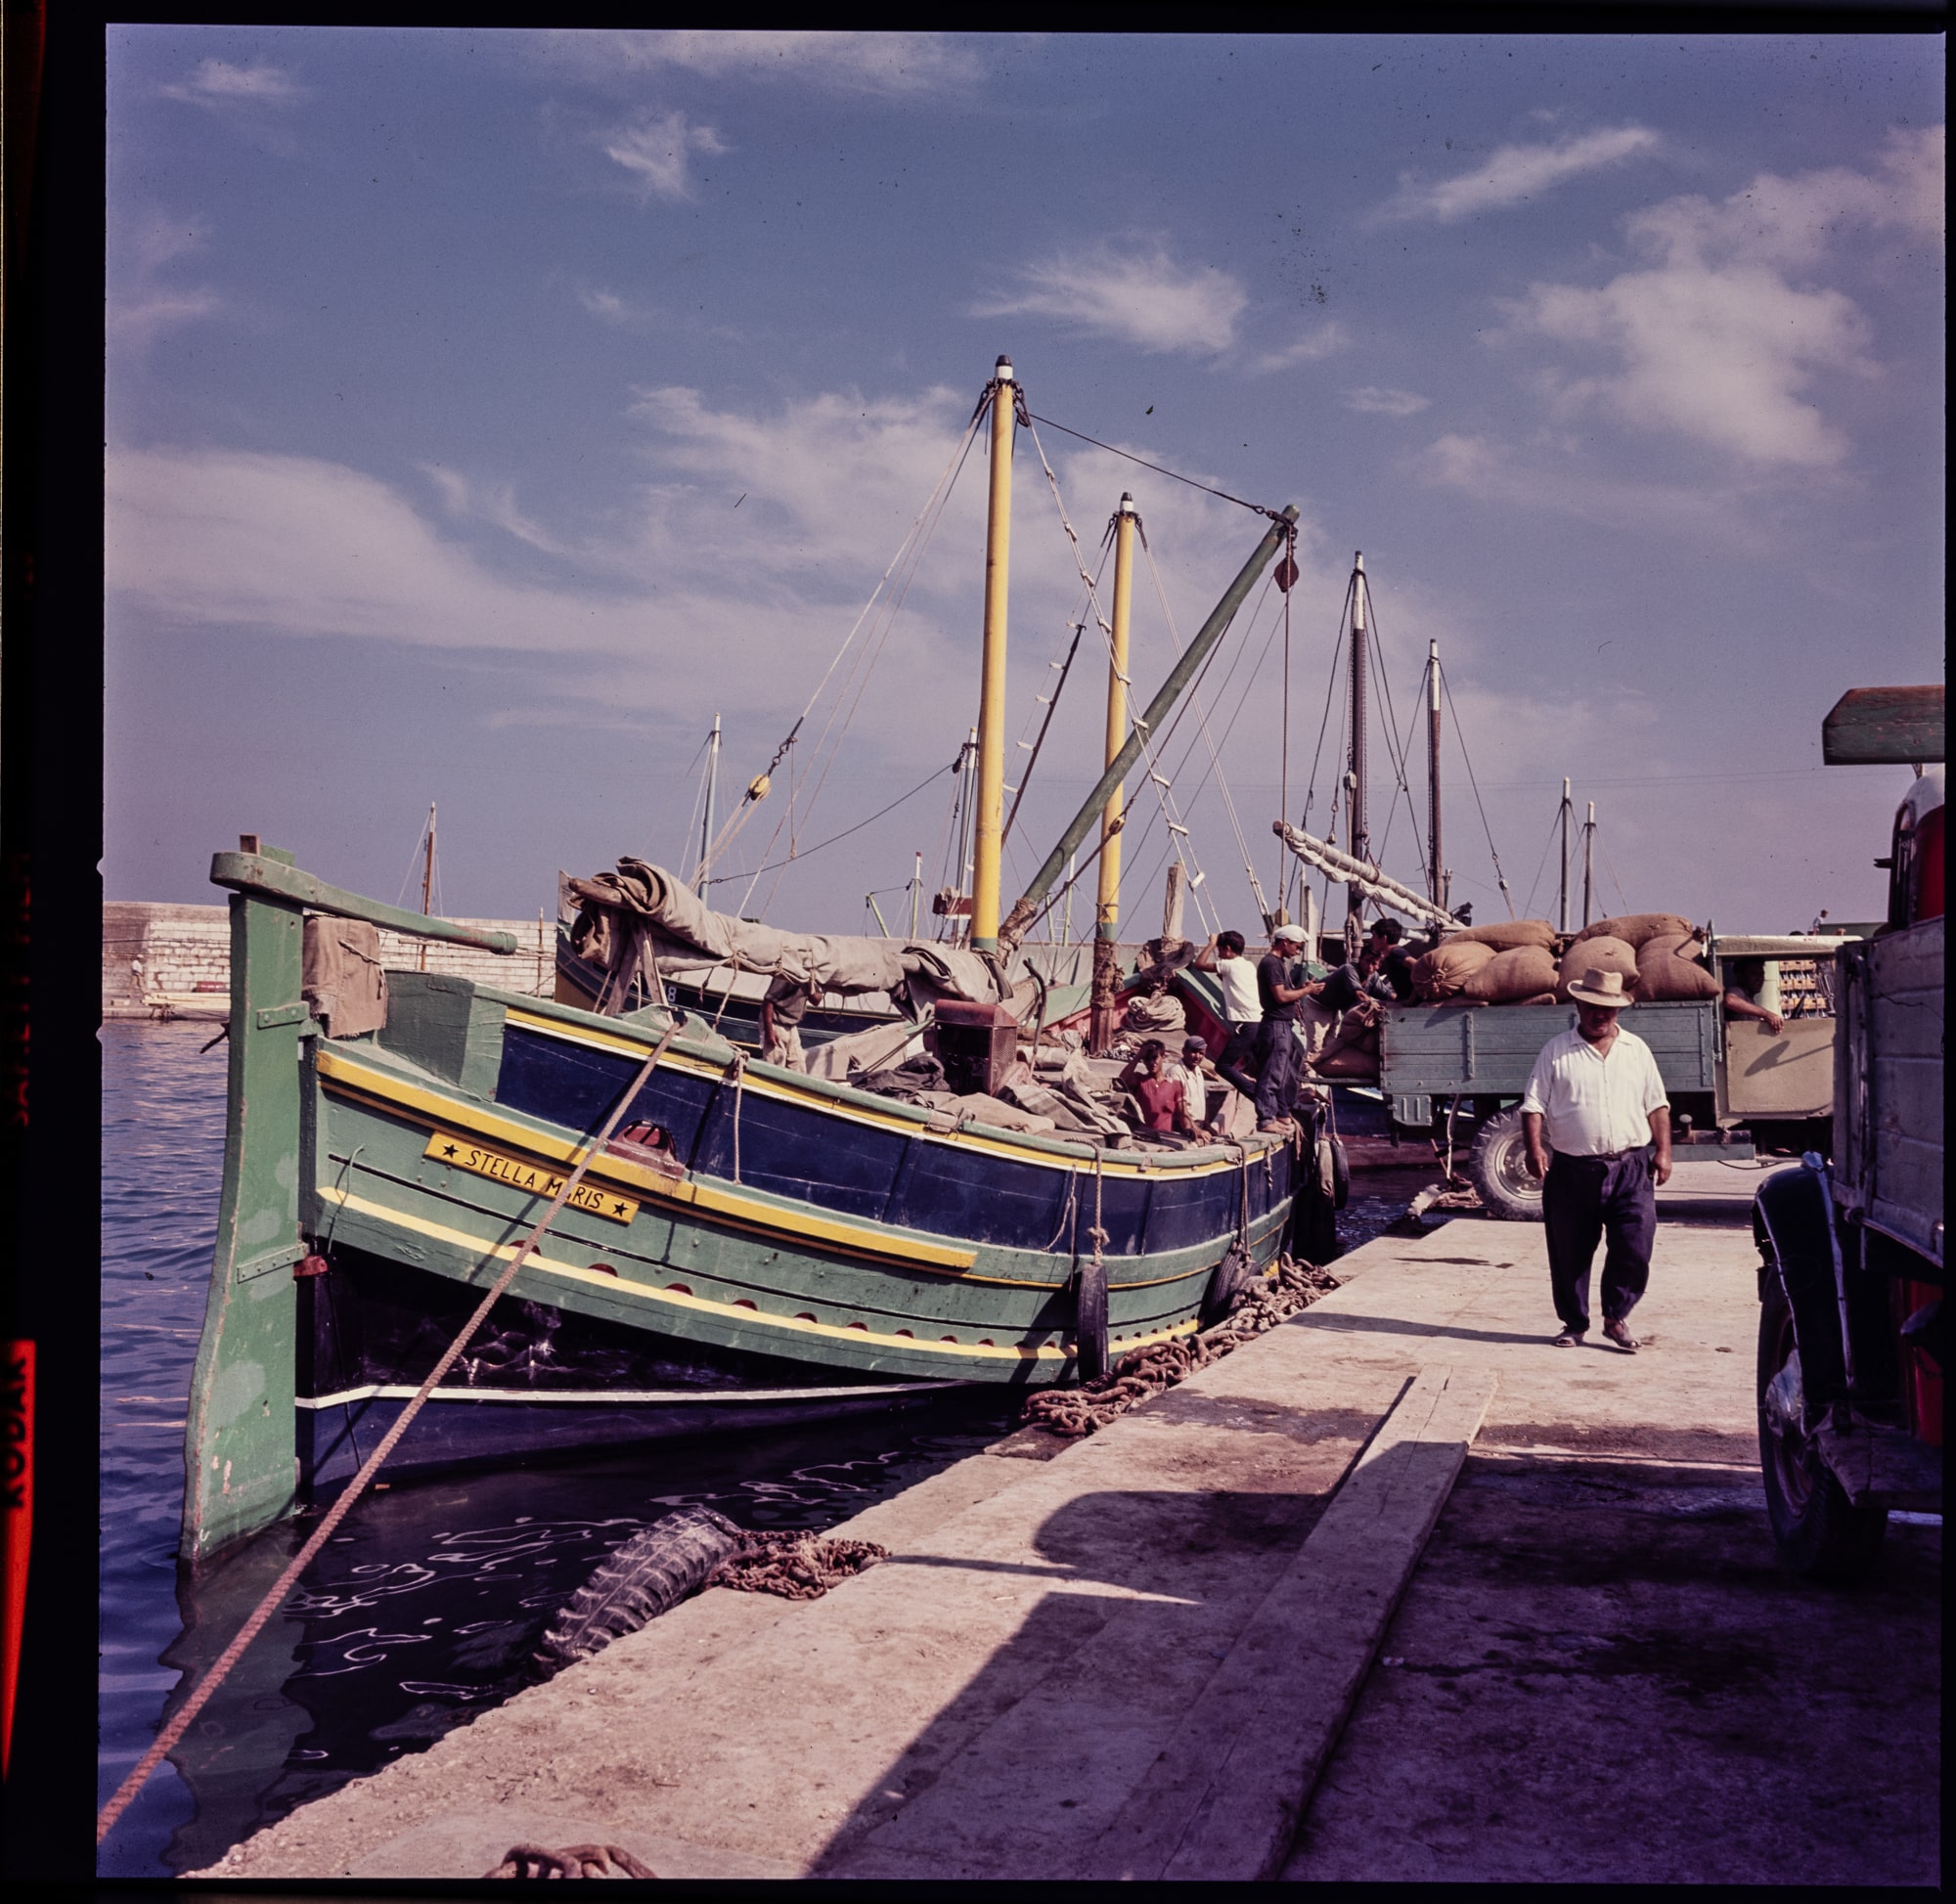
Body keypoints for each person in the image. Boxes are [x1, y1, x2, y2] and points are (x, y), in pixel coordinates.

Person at [1520, 965, 1672, 1352]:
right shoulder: (1556, 1051)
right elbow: (1533, 1106)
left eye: (1609, 1009)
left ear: (1618, 1011)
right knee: (1569, 1250)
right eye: (1592, 1007)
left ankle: (1616, 1318)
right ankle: (1574, 1323)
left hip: (1632, 1168)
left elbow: (1657, 1106)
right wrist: (1535, 1147)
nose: (1600, 1015)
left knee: (1635, 1244)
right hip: (1573, 1170)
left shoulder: (1636, 1050)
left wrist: (1664, 1152)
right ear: (1579, 1005)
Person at [1251, 924, 1312, 1130]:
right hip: (1276, 1026)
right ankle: (1266, 1119)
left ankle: (1282, 1113)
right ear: (1285, 942)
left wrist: (1302, 989)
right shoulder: (1271, 964)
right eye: (1297, 946)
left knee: (1281, 1074)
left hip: (1282, 1025)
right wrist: (1306, 992)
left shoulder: (1278, 964)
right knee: (1271, 1074)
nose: (1298, 950)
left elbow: (1285, 995)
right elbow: (1280, 996)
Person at [1194, 930, 1263, 1099]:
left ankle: (1255, 1095)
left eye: (1219, 950)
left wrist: (1211, 943)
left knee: (1223, 1066)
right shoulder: (1247, 965)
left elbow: (1199, 965)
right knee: (1261, 1065)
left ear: (1228, 949)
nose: (1218, 954)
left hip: (1247, 1025)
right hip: (1259, 1022)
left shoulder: (1228, 965)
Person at [1117, 1039, 1199, 1138]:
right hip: (1142, 1137)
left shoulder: (1176, 1085)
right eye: (1147, 1059)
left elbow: (1183, 1114)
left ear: (1163, 1057)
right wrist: (1138, 1056)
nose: (1151, 1062)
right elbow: (1121, 1081)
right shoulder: (1139, 1080)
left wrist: (1188, 1128)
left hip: (1165, 1138)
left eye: (1155, 1058)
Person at [759, 972, 821, 1070]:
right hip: (776, 1022)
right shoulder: (787, 975)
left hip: (791, 1025)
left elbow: (816, 1000)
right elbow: (768, 1001)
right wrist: (769, 1031)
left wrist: (812, 983)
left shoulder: (808, 978)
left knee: (798, 1063)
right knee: (775, 1064)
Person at [1722, 956, 1786, 1036]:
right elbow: (1730, 1001)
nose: (1759, 979)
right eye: (1755, 974)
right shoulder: (1737, 990)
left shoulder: (1749, 999)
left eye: (1761, 974)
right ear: (1740, 976)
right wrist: (1766, 1014)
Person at [1170, 1034, 1216, 1136]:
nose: (1197, 1057)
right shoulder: (1176, 1072)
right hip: (1185, 1126)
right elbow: (1180, 1107)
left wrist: (1207, 1125)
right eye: (1194, 1052)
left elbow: (1204, 1099)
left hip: (1199, 1124)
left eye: (1201, 1053)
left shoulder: (1198, 1070)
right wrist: (1194, 1128)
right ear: (1184, 1051)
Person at [1367, 918, 1419, 1002]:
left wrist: (1412, 999)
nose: (1372, 939)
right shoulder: (1390, 956)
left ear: (1384, 938)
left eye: (1374, 935)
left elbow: (1420, 968)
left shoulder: (1396, 953)